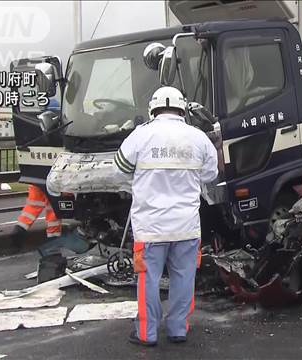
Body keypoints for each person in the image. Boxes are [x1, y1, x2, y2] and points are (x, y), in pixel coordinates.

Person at [114, 86, 218, 347]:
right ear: (182, 108)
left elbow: (121, 169)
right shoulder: (198, 138)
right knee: (184, 278)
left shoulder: (141, 135)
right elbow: (210, 175)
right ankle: (178, 329)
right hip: (186, 226)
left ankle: (146, 333)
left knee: (148, 279)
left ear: (153, 108)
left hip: (150, 228)